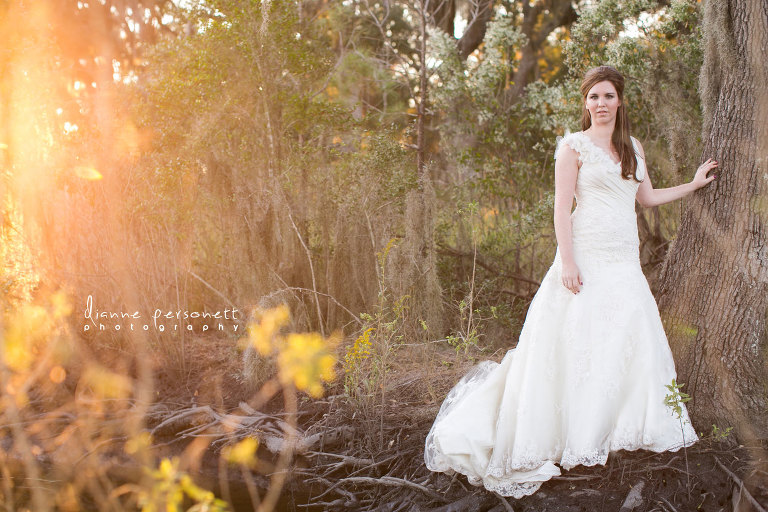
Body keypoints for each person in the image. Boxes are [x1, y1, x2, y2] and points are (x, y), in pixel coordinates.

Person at [423, 65, 718, 498]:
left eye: (608, 96)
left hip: (623, 260)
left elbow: (647, 198)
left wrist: (692, 185)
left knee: (625, 339)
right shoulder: (572, 147)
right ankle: (574, 431)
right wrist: (568, 262)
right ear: (585, 103)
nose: (601, 104)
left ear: (620, 102)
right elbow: (562, 210)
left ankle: (622, 426)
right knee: (576, 341)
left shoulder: (632, 147)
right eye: (593, 97)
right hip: (584, 256)